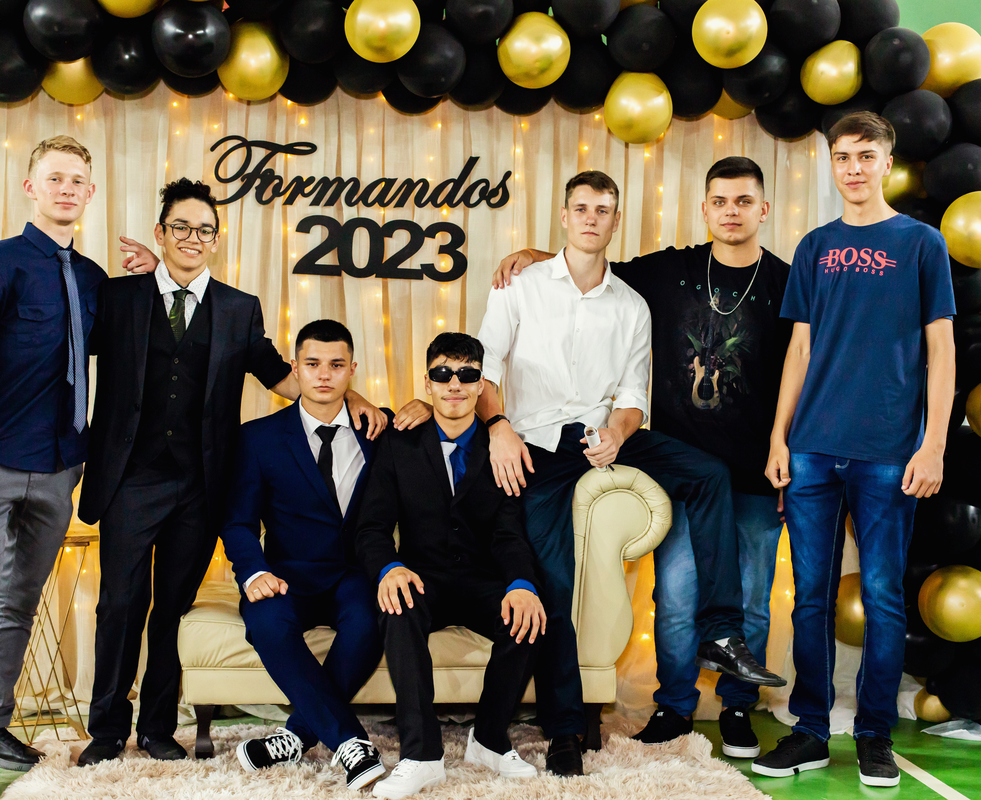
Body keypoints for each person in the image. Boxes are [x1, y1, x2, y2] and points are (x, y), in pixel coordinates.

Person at [476, 170, 784, 776]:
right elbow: (484, 371)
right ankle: (565, 728)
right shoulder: (521, 286)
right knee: (556, 582)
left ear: (616, 221)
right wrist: (499, 427)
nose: (591, 219)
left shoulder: (632, 303)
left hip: (606, 437)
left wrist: (617, 433)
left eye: (603, 210)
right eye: (581, 209)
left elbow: (632, 394)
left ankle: (722, 633)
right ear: (564, 216)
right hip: (538, 443)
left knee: (709, 474)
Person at [74, 179, 388, 766]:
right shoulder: (118, 297)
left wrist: (355, 398)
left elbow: (286, 378)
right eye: (181, 227)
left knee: (172, 607)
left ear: (216, 241)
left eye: (205, 230)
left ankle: (157, 727)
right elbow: (69, 355)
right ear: (161, 233)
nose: (193, 238)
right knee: (119, 605)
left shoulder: (240, 309)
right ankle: (108, 729)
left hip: (201, 488)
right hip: (129, 480)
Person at [753, 112, 955, 788]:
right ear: (832, 165)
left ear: (887, 162)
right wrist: (779, 437)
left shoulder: (921, 243)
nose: (854, 168)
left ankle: (873, 736)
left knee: (883, 597)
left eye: (866, 156)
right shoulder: (816, 246)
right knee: (809, 599)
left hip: (888, 452)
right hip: (811, 449)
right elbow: (800, 349)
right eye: (843, 157)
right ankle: (810, 731)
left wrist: (933, 445)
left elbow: (941, 350)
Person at [0, 136, 105, 800]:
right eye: (54, 178)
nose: (66, 189)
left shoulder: (92, 278)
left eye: (77, 181)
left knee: (20, 603)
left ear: (90, 193)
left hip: (60, 467)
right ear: (31, 187)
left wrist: (154, 270)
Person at [356, 332, 547, 799]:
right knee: (397, 609)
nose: (454, 384)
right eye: (443, 374)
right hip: (422, 577)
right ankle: (421, 754)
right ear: (428, 383)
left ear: (481, 384)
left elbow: (509, 533)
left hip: (481, 579)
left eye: (466, 374)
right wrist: (388, 569)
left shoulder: (501, 449)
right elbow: (372, 527)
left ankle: (490, 739)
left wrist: (522, 583)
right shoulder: (398, 444)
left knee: (532, 614)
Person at [221, 319, 390, 791]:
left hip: (352, 575)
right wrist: (253, 572)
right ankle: (350, 742)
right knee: (266, 622)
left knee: (373, 619)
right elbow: (237, 521)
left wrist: (417, 405)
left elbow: (435, 424)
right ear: (295, 368)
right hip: (284, 574)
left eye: (336, 365)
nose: (324, 375)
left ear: (352, 370)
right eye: (312, 364)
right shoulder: (258, 437)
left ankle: (295, 736)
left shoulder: (379, 430)